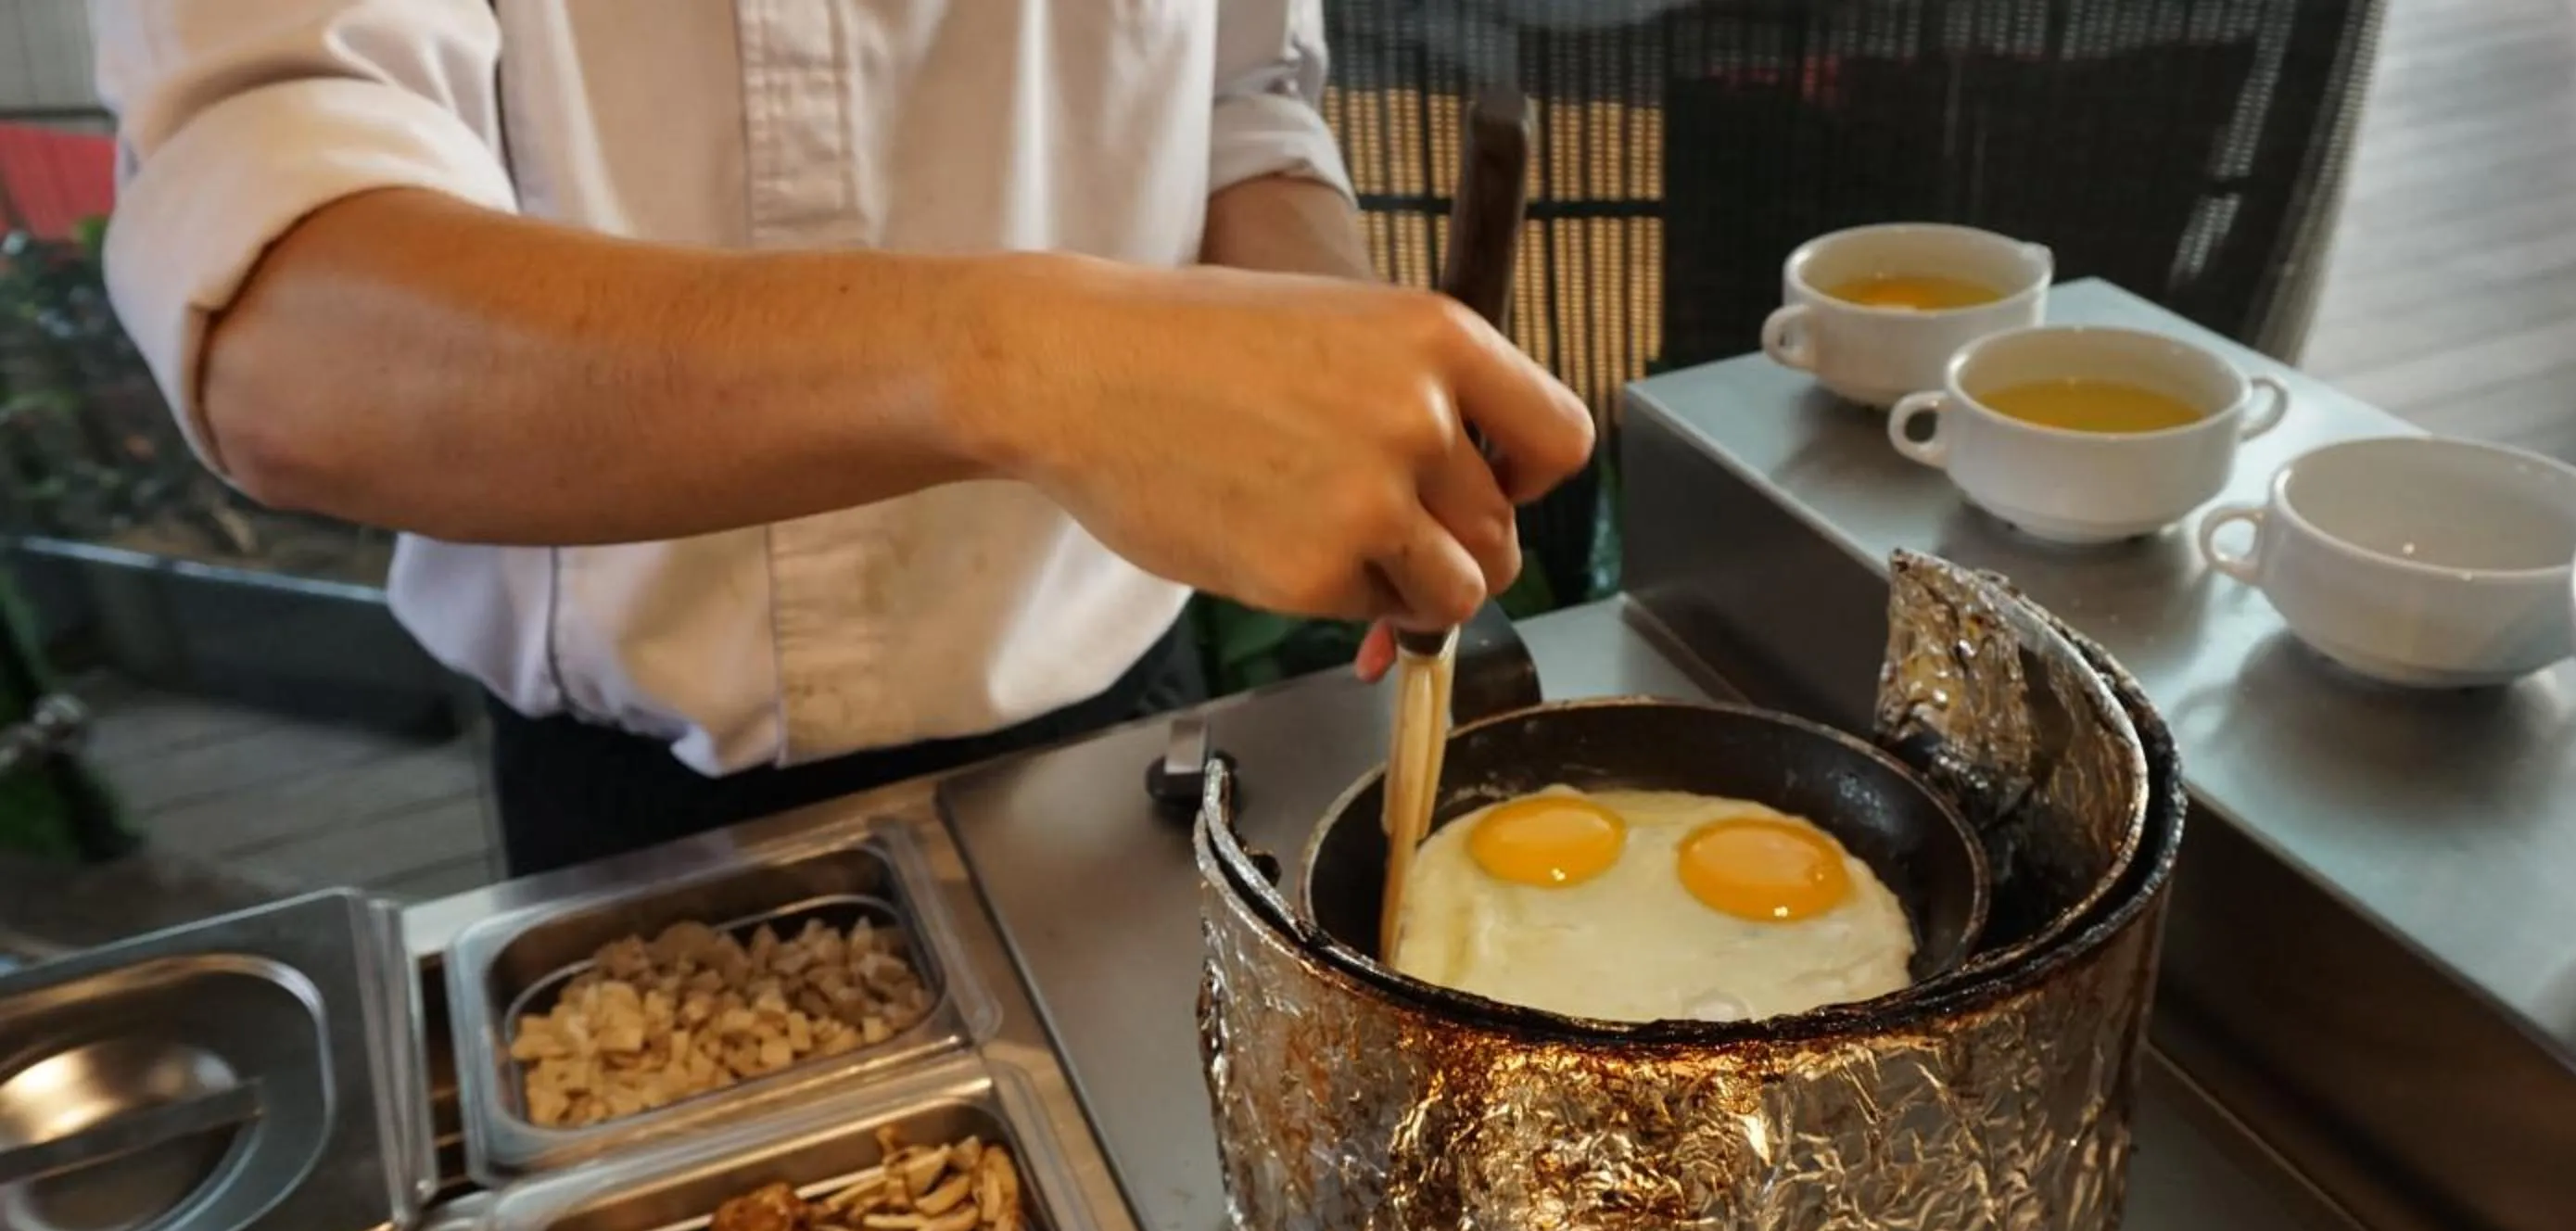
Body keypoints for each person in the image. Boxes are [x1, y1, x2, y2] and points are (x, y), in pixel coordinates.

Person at [93, 3, 1596, 876]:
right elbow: (283, 323)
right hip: (630, 797)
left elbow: (1240, 106)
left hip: (1118, 736)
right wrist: (1021, 363)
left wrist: (1331, 371)